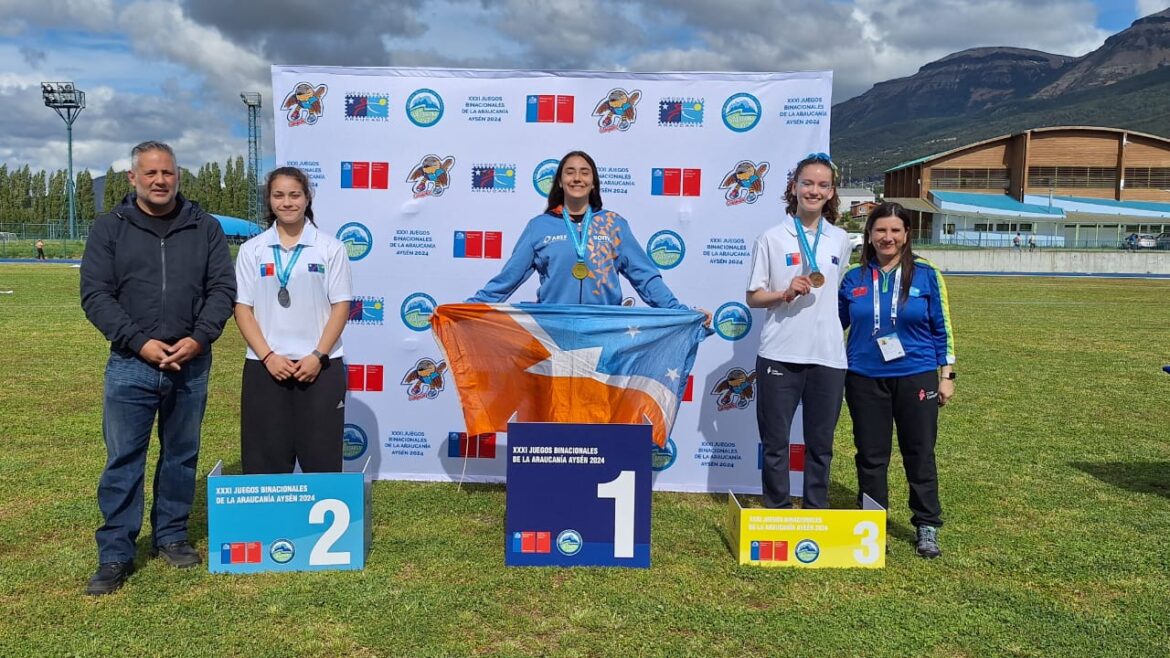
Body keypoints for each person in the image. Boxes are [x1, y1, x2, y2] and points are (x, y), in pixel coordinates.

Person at [80, 141, 236, 595]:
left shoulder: (204, 227)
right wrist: (139, 342)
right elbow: (96, 294)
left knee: (181, 455)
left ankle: (171, 534)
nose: (159, 180)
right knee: (124, 458)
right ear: (133, 178)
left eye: (167, 173)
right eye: (150, 173)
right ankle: (115, 553)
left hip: (192, 361)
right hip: (131, 363)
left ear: (178, 176)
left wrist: (199, 337)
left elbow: (221, 289)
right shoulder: (110, 227)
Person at [838, 201, 956, 558]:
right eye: (880, 231)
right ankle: (873, 526)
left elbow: (943, 327)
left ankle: (926, 525)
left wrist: (947, 374)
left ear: (906, 235)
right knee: (871, 455)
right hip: (864, 377)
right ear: (869, 235)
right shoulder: (852, 278)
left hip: (916, 374)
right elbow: (831, 326)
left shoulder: (926, 273)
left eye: (895, 231)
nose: (887, 238)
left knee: (919, 451)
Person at [468, 150, 706, 321]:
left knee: (598, 394)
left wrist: (683, 313)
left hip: (604, 331)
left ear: (593, 183)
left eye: (584, 172)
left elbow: (646, 279)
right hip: (554, 332)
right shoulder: (539, 227)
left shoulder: (614, 225)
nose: (577, 178)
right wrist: (465, 310)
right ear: (560, 182)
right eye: (570, 172)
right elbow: (507, 279)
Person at [745, 152, 852, 509]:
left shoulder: (840, 239)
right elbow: (754, 297)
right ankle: (777, 509)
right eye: (807, 183)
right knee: (775, 443)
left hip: (828, 356)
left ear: (831, 192)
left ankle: (815, 511)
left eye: (823, 185)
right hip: (780, 353)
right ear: (794, 187)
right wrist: (784, 292)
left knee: (820, 445)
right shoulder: (772, 237)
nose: (814, 190)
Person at [233, 167, 352, 474]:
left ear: (307, 197)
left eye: (294, 195)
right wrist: (268, 356)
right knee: (264, 461)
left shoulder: (330, 248)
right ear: (270, 201)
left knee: (322, 461)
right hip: (266, 366)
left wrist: (317, 355)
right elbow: (243, 309)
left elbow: (341, 306)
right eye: (279, 195)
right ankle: (269, 523)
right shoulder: (251, 250)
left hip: (320, 367)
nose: (287, 202)